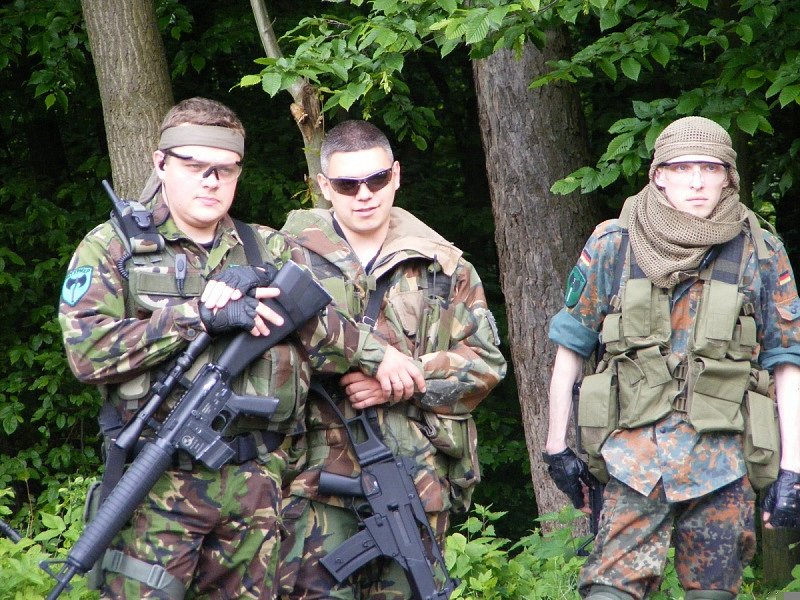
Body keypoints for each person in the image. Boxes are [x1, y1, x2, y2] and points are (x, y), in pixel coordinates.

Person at [58, 98, 424, 599]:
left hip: (256, 485)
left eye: (225, 170)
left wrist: (382, 357)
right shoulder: (114, 248)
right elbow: (87, 352)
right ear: (161, 163)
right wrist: (197, 318)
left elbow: (322, 328)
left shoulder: (267, 248)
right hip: (157, 482)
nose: (211, 181)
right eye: (196, 166)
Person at [543, 116, 800, 600]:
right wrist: (557, 449)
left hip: (724, 459)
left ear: (728, 176)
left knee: (713, 593)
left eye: (710, 167)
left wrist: (793, 468)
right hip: (631, 460)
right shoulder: (614, 244)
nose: (697, 181)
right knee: (608, 591)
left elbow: (786, 362)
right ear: (659, 175)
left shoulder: (761, 251)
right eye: (682, 168)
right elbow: (570, 348)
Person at [276, 120, 507, 599]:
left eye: (377, 179)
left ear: (396, 175)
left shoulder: (445, 266)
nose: (365, 195)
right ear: (324, 186)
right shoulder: (285, 260)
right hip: (312, 479)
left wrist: (406, 378)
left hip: (414, 480)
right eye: (347, 184)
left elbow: (486, 364)